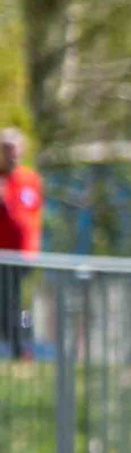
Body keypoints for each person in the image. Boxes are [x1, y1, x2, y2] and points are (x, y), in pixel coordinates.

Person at [0, 127, 44, 358]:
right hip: (2, 254)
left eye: (14, 149)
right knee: (7, 301)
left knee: (13, 300)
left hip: (22, 254)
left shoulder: (29, 179)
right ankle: (16, 348)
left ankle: (20, 349)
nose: (11, 154)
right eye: (6, 149)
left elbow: (30, 214)